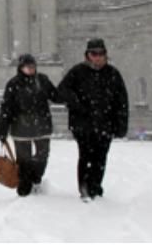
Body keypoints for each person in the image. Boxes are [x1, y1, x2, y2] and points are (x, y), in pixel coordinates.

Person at [57, 38, 129, 201]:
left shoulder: (113, 74)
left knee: (100, 158)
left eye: (100, 53)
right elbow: (62, 91)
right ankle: (84, 189)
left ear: (105, 55)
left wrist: (121, 125)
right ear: (87, 55)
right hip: (83, 125)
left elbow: (121, 102)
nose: (97, 57)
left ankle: (95, 188)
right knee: (85, 157)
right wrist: (77, 103)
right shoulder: (77, 72)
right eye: (93, 53)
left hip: (105, 125)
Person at [0, 54, 59, 196]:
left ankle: (36, 178)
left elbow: (55, 95)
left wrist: (70, 94)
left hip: (42, 127)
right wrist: (3, 128)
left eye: (33, 66)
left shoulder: (42, 80)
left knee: (42, 157)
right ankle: (24, 188)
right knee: (24, 160)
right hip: (21, 128)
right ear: (21, 68)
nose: (31, 69)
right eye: (27, 66)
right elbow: (6, 108)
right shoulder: (13, 84)